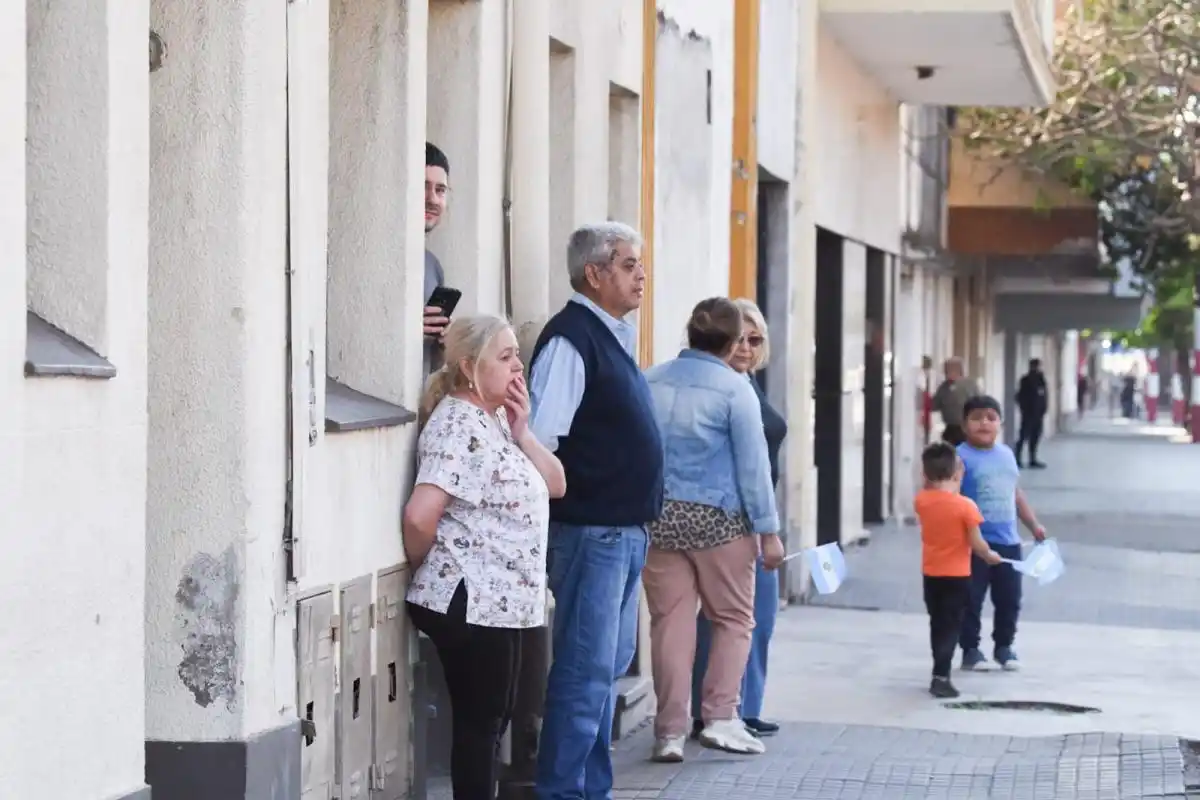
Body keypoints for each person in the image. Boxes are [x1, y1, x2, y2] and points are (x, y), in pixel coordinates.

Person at [403, 315, 567, 800]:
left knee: (495, 722)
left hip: (504, 603)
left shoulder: (495, 420)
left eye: (517, 354)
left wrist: (523, 430)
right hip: (471, 600)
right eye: (506, 355)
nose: (519, 366)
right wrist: (431, 569)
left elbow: (556, 484)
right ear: (471, 368)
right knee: (481, 728)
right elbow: (419, 516)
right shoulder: (458, 424)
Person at [529, 222, 664, 800]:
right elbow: (538, 438)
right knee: (585, 673)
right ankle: (563, 792)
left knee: (607, 668)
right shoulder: (570, 340)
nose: (640, 276)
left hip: (623, 531)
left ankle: (590, 790)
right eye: (629, 264)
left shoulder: (613, 335)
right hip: (591, 532)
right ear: (595, 273)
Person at [642, 297, 783, 762]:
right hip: (721, 521)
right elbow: (754, 468)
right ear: (729, 342)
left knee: (670, 625)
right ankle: (721, 717)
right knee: (734, 620)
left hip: (660, 520)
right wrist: (769, 531)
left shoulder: (651, 379)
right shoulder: (734, 388)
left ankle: (668, 731)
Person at [691, 298, 787, 740]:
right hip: (727, 519)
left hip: (758, 515)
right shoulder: (719, 386)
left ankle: (746, 706)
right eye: (740, 338)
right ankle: (714, 712)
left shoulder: (749, 383)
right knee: (722, 620)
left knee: (759, 619)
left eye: (755, 339)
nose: (746, 347)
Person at [956, 395, 1047, 673]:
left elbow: (1015, 494)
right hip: (973, 543)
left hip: (1008, 542)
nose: (984, 422)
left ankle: (1004, 646)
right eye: (976, 417)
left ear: (1000, 424)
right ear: (964, 425)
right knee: (971, 599)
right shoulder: (959, 457)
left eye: (991, 417)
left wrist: (1033, 525)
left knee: (1009, 598)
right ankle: (971, 649)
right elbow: (950, 499)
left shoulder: (1007, 455)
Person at [914, 442, 1001, 699]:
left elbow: (932, 492)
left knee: (937, 623)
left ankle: (937, 671)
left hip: (931, 574)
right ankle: (941, 676)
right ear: (957, 473)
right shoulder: (966, 507)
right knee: (951, 626)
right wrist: (989, 555)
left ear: (924, 474)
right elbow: (977, 544)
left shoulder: (921, 501)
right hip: (957, 576)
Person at [423, 142, 452, 372]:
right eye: (423, 186)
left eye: (440, 190)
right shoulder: (369, 257)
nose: (432, 199)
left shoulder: (433, 266)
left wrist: (446, 340)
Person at [931, 357, 979, 446]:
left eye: (947, 370)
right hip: (952, 429)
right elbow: (934, 405)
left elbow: (979, 404)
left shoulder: (968, 385)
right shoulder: (945, 387)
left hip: (965, 428)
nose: (945, 373)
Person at [1014, 358, 1049, 468]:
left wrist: (1044, 409)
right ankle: (1017, 458)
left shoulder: (1041, 379)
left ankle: (1032, 458)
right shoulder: (1026, 379)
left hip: (1038, 414)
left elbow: (1044, 395)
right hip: (1028, 413)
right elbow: (1019, 396)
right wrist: (1024, 408)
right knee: (1023, 436)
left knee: (1035, 436)